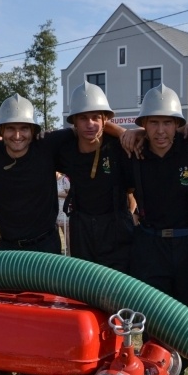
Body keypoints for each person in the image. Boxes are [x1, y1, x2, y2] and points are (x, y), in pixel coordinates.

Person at [128, 84, 188, 375]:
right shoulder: (132, 154)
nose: (161, 131)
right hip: (150, 245)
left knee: (187, 322)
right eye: (153, 123)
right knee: (155, 324)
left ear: (178, 125)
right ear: (143, 125)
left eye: (168, 123)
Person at [58, 82, 138, 272]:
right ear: (74, 122)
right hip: (82, 233)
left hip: (117, 233)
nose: (90, 124)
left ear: (105, 120)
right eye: (83, 118)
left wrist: (124, 132)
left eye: (96, 117)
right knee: (84, 292)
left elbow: (132, 192)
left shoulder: (121, 147)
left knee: (120, 295)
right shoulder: (64, 147)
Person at [0, 94, 62, 254]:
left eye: (24, 128)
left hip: (46, 247)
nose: (17, 136)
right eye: (10, 128)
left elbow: (84, 126)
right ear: (2, 130)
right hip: (7, 248)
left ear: (33, 130)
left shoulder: (47, 145)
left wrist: (123, 132)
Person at [56, 172, 71, 254]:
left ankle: (70, 253)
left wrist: (57, 194)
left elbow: (69, 194)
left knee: (67, 234)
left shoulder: (64, 179)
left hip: (63, 209)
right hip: (56, 210)